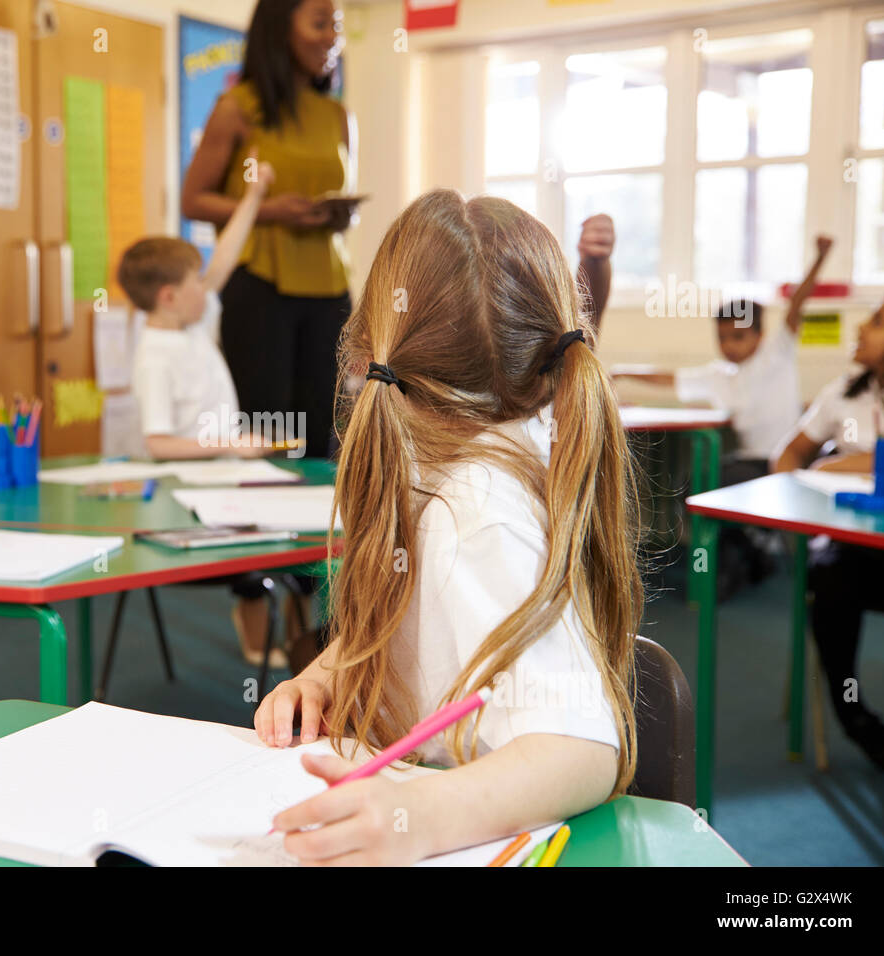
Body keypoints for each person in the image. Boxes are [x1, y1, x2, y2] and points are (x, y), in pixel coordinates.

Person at [253, 192, 642, 865]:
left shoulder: (479, 506)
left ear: (368, 350)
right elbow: (403, 621)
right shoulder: (441, 461)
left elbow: (583, 749)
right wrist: (324, 675)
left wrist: (418, 816)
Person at [117, 154, 289, 668]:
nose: (208, 286)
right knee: (258, 557)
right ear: (170, 296)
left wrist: (254, 197)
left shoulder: (191, 320)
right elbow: (157, 444)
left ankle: (304, 639)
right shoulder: (154, 357)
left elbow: (223, 262)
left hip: (226, 474)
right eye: (196, 282)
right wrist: (228, 444)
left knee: (296, 544)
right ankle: (257, 628)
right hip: (187, 491)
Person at [181, 0, 352, 463]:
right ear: (280, 29)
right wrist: (269, 209)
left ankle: (322, 534)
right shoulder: (237, 108)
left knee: (325, 432)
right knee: (269, 433)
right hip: (259, 286)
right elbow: (193, 199)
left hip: (328, 287)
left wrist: (337, 214)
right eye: (319, 23)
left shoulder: (335, 115)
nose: (331, 37)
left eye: (335, 25)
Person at [614, 236, 834, 596]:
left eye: (738, 336)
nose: (730, 345)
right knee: (694, 488)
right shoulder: (720, 375)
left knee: (701, 491)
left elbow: (797, 305)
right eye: (723, 337)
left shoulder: (776, 357)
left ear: (760, 336)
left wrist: (820, 258)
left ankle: (732, 568)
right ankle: (737, 558)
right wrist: (624, 370)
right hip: (748, 461)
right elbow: (670, 377)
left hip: (782, 462)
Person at [771, 292, 884, 771]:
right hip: (857, 556)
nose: (861, 329)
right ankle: (858, 721)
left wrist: (848, 463)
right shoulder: (844, 391)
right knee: (828, 577)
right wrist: (795, 501)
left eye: (879, 322)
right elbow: (788, 455)